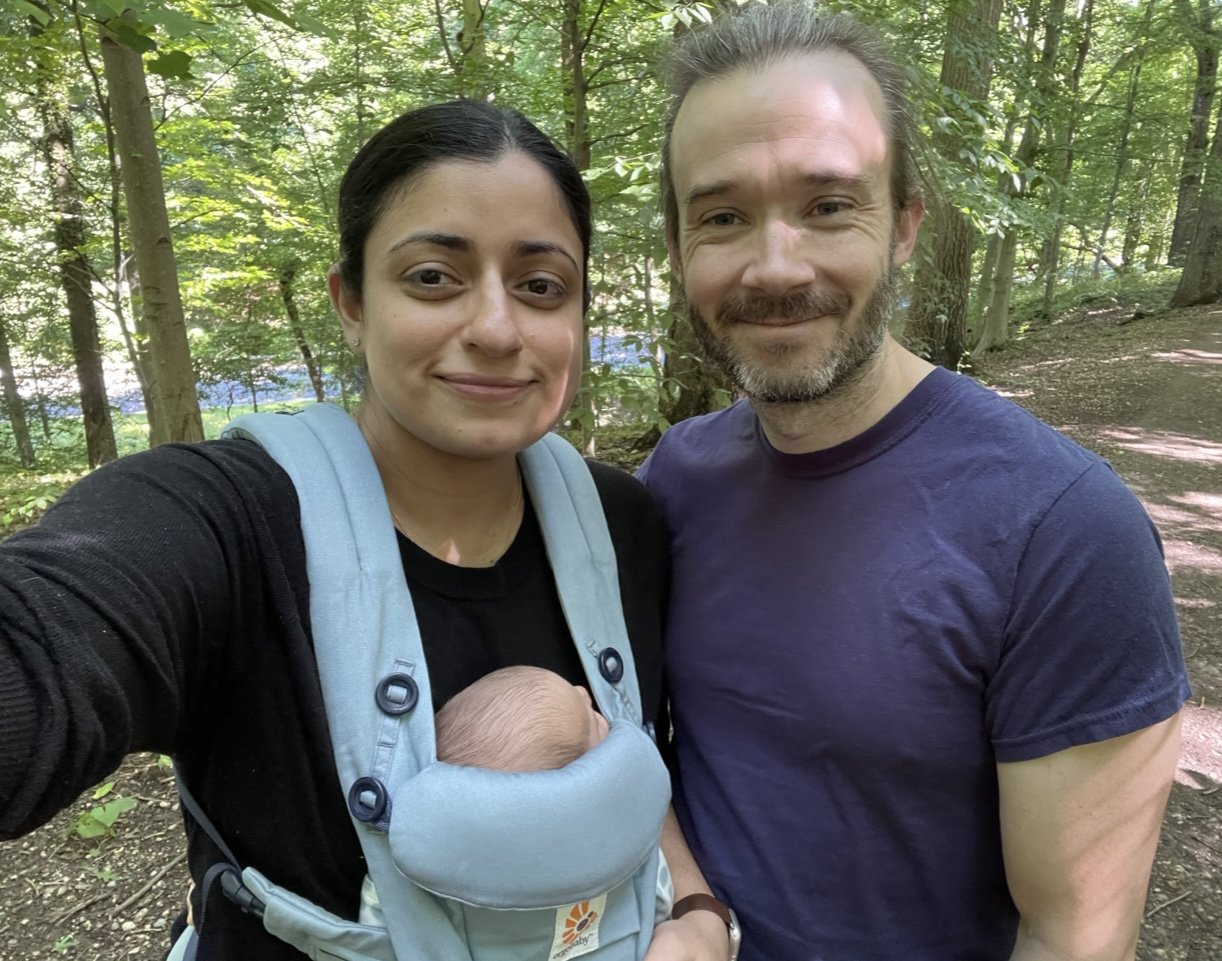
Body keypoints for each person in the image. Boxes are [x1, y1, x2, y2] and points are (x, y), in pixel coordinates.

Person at [0, 100, 728, 961]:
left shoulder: (621, 526)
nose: (496, 328)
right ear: (350, 301)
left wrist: (698, 912)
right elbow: (44, 650)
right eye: (433, 276)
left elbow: (639, 757)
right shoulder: (230, 522)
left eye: (540, 285)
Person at [637, 3, 1190, 960]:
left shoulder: (1062, 530)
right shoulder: (670, 480)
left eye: (827, 205)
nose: (776, 265)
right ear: (680, 247)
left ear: (903, 225)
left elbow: (1074, 938)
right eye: (723, 215)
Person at [358, 665, 673, 929]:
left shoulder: (427, 869)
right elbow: (657, 899)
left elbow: (385, 925)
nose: (585, 692)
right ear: (572, 791)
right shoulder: (617, 840)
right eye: (591, 719)